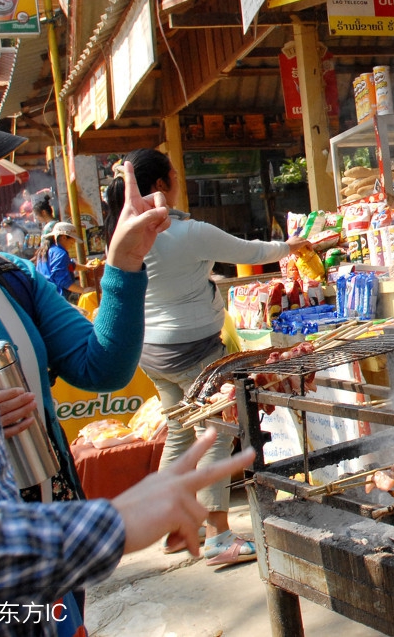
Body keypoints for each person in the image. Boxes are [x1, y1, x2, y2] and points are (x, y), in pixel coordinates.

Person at [0, 106, 255, 637]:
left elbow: (104, 367)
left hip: (53, 568)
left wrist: (124, 262)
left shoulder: (7, 277)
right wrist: (113, 522)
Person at [104, 148, 308, 567]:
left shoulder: (120, 232)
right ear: (160, 185)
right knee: (216, 430)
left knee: (180, 434)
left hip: (152, 352)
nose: (178, 183)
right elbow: (250, 252)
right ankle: (217, 534)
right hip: (193, 352)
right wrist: (291, 246)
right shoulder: (186, 232)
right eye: (174, 176)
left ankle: (175, 527)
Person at [34, 221, 80, 297]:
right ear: (64, 238)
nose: (72, 245)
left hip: (42, 294)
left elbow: (69, 266)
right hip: (54, 297)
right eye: (72, 242)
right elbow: (62, 280)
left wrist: (86, 267)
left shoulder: (45, 251)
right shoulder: (60, 253)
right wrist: (84, 290)